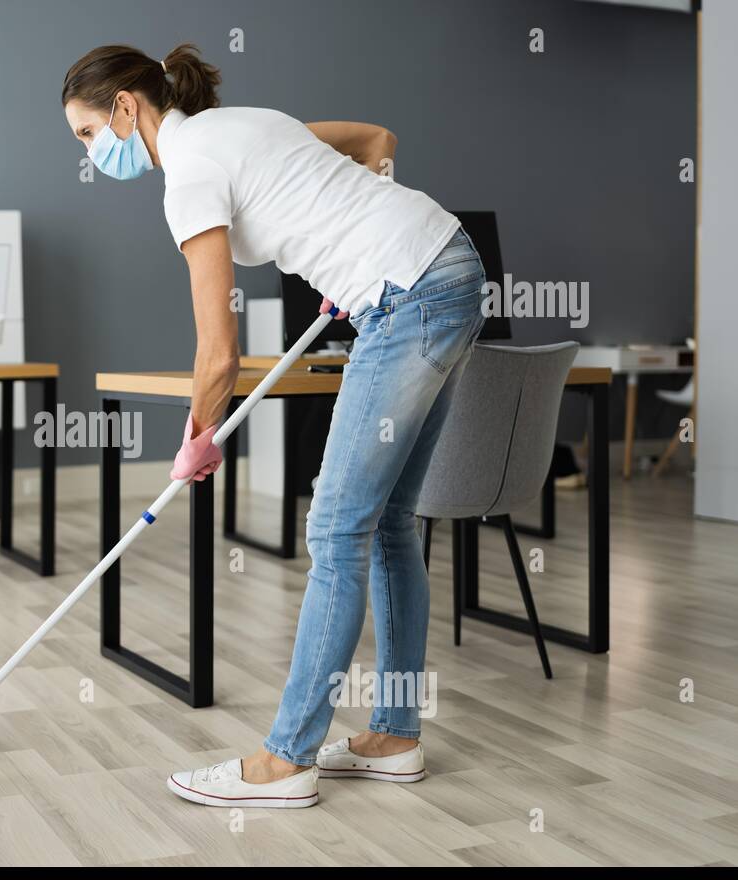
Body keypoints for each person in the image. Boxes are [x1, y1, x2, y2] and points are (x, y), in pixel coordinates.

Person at [63, 43, 487, 808]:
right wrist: (358, 242)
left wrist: (197, 435)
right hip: (452, 264)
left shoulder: (188, 174)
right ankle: (394, 735)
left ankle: (287, 760)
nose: (92, 155)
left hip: (408, 294)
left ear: (127, 107)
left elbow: (219, 352)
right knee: (387, 526)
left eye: (89, 134)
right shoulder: (245, 124)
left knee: (334, 530)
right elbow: (376, 143)